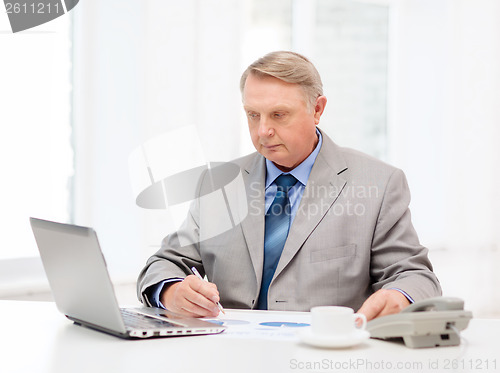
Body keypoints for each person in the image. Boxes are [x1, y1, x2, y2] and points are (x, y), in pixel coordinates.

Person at [137, 51, 441, 320]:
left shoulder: (378, 183)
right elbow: (164, 262)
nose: (263, 131)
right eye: (253, 115)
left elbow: (416, 276)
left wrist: (400, 296)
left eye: (279, 115)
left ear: (317, 110)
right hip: (229, 354)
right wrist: (171, 292)